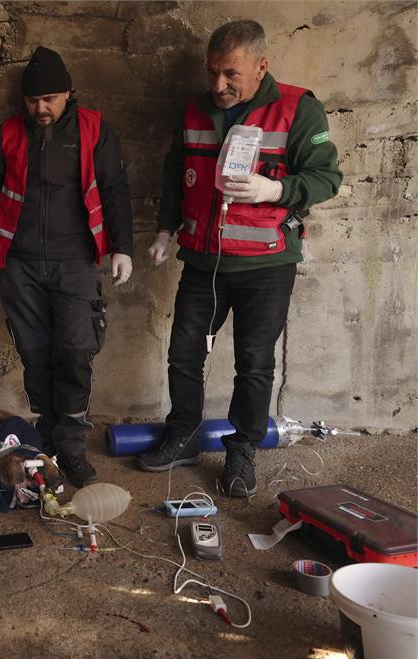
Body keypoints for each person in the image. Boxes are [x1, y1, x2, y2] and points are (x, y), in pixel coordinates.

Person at [139, 20, 342, 496]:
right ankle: (184, 433)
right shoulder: (194, 110)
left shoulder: (298, 109)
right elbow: (175, 174)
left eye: (230, 73)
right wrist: (167, 229)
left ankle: (242, 448)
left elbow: (326, 179)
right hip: (204, 260)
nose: (218, 85)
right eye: (212, 73)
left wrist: (276, 189)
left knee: (254, 363)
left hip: (266, 264)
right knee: (184, 353)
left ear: (261, 66)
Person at [0, 46, 134, 488]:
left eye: (50, 100)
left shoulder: (94, 131)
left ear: (68, 94)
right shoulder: (6, 136)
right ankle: (47, 438)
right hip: (19, 263)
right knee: (35, 353)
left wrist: (123, 247)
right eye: (32, 101)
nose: (40, 109)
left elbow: (116, 189)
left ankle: (73, 446)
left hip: (76, 261)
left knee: (76, 352)